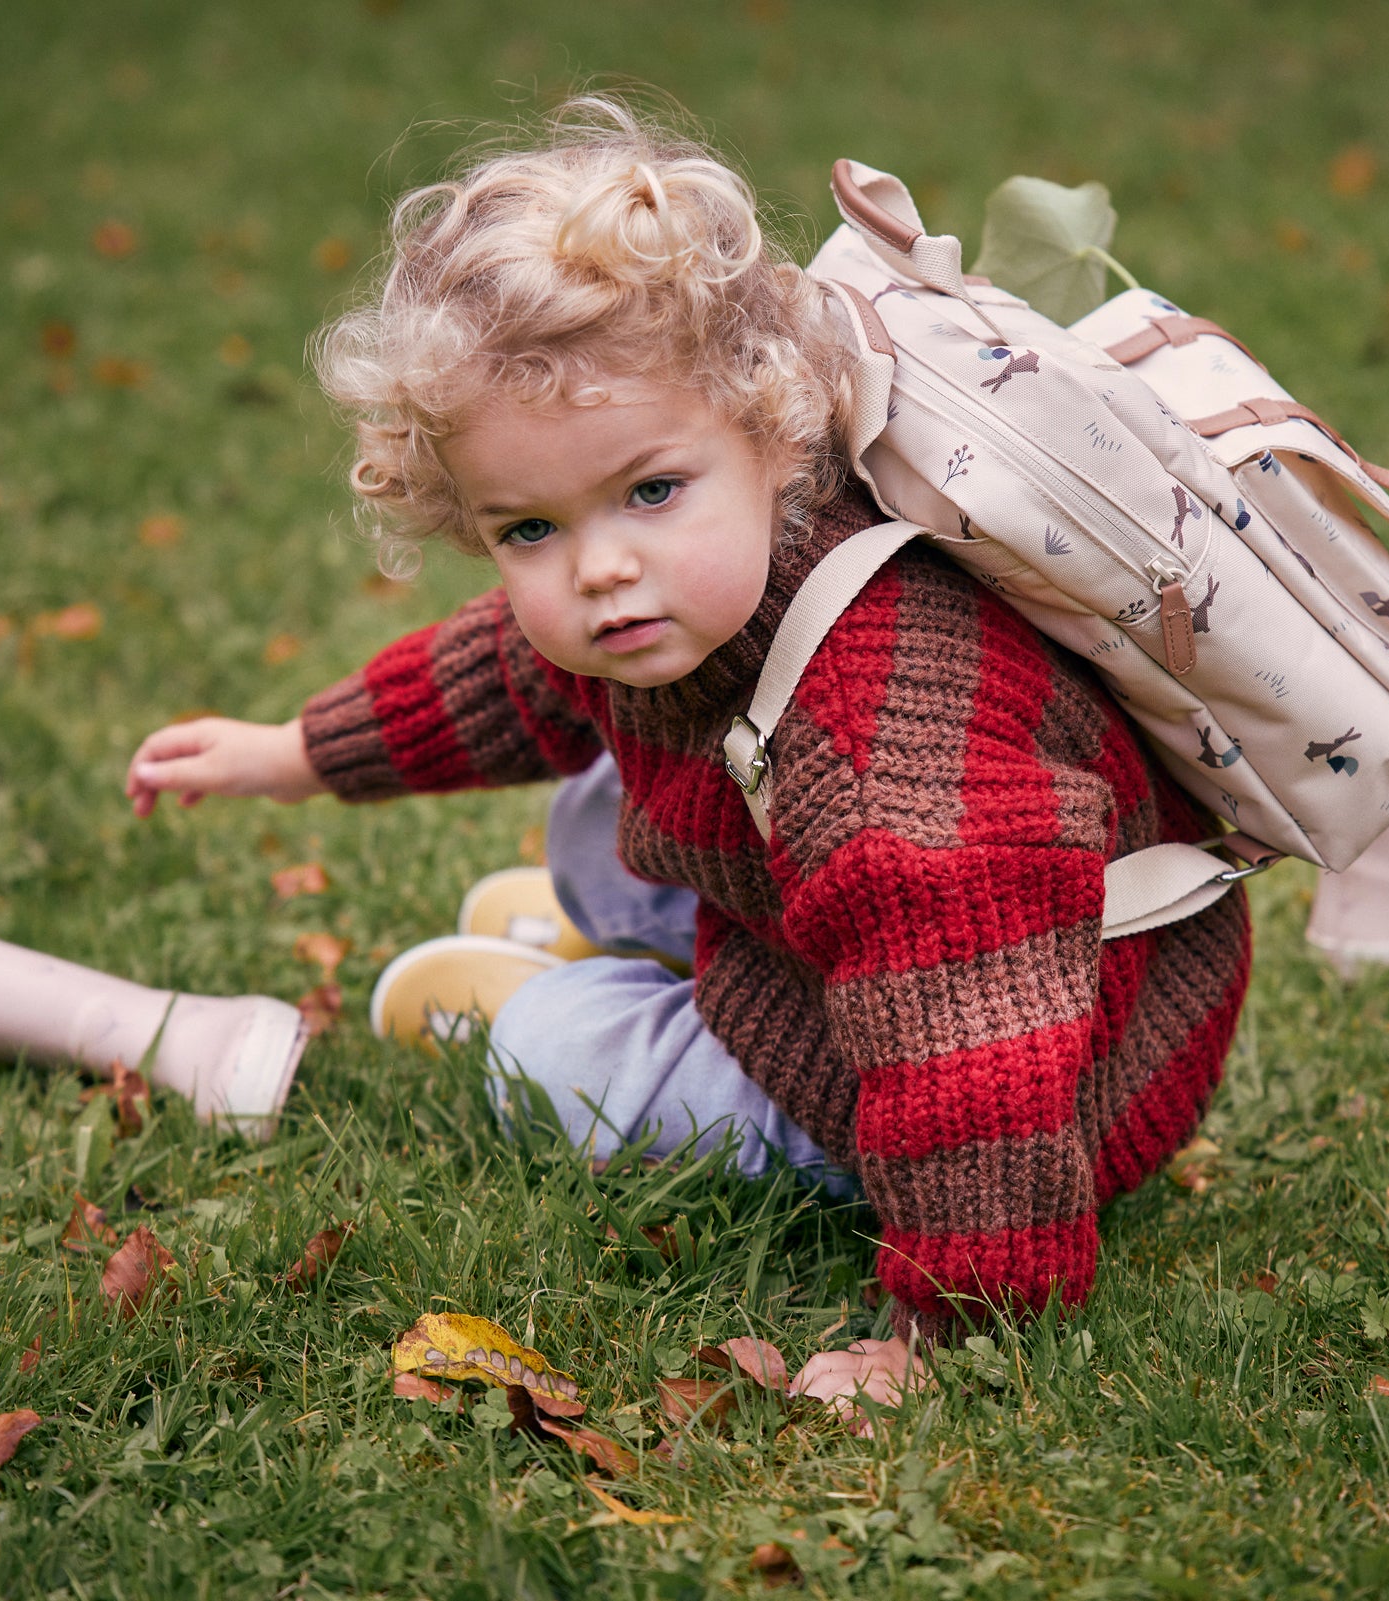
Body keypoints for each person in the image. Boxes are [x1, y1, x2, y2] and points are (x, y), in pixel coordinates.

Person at [121, 98, 1252, 1360]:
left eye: (650, 491)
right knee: (599, 813)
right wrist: (296, 752)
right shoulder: (699, 586)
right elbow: (506, 674)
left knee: (546, 1052)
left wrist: (952, 1331)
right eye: (529, 529)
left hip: (1071, 1078)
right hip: (951, 962)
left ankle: (588, 1002)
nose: (600, 568)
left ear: (774, 435)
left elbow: (968, 1060)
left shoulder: (886, 769)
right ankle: (644, 943)